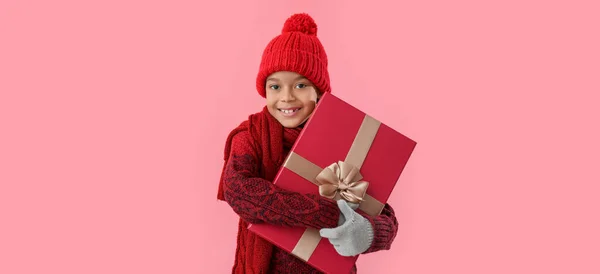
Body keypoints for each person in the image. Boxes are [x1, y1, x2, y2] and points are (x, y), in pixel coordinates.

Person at [216, 13, 399, 274]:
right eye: (275, 86)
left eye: (300, 85)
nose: (286, 97)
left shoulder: (344, 137)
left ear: (319, 91)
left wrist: (369, 232)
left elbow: (380, 207)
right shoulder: (250, 137)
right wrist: (333, 214)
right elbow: (240, 191)